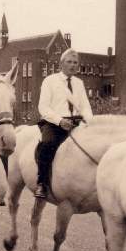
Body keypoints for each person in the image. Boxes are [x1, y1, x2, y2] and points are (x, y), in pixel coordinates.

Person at [35, 48, 93, 200]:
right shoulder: (50, 81)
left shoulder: (79, 83)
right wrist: (60, 121)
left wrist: (90, 121)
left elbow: (85, 106)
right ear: (61, 64)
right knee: (47, 144)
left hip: (76, 123)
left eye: (75, 62)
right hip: (54, 123)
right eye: (69, 62)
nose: (73, 65)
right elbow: (43, 107)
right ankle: (42, 183)